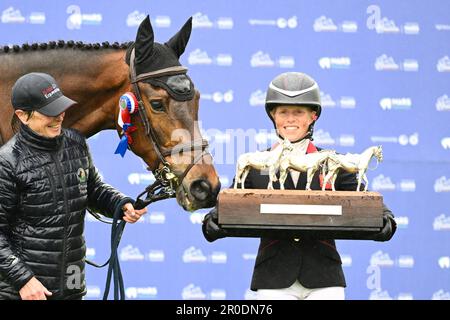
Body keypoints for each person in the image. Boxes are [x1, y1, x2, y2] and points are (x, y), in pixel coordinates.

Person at [202, 72, 396, 300]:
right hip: (273, 277)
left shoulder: (331, 161)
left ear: (312, 116)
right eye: (283, 112)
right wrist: (213, 220)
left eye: (298, 112)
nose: (290, 119)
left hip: (324, 277)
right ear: (273, 115)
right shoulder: (256, 164)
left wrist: (385, 217)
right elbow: (229, 204)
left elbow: (364, 196)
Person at [0, 72, 147, 300]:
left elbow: (94, 189)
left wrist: (121, 203)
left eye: (60, 108)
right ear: (22, 116)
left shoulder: (76, 143)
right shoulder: (7, 162)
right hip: (26, 293)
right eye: (49, 112)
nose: (59, 117)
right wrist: (24, 280)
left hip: (72, 286)